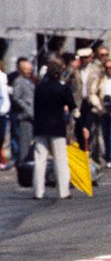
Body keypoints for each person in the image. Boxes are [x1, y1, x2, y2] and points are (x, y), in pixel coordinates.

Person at [30, 56, 74, 200]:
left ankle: (38, 191)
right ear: (59, 73)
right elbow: (72, 105)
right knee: (60, 159)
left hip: (40, 126)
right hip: (57, 127)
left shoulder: (39, 88)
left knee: (39, 160)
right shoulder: (62, 88)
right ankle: (63, 191)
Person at [10, 57, 36, 165]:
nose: (29, 71)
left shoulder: (29, 81)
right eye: (27, 69)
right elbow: (16, 98)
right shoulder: (18, 81)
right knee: (24, 143)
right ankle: (22, 164)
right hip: (24, 116)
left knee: (29, 141)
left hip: (31, 116)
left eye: (30, 69)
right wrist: (26, 107)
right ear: (21, 69)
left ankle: (27, 162)